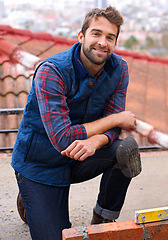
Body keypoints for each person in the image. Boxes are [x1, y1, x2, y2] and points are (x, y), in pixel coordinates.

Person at [11, 6, 141, 240]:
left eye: (110, 37)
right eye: (96, 34)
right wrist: (115, 118)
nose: (102, 42)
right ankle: (29, 196)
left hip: (81, 156)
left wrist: (96, 141)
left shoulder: (119, 68)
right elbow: (64, 138)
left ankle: (103, 218)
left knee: (126, 149)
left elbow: (114, 129)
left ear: (116, 43)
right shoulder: (52, 71)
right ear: (81, 36)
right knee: (57, 237)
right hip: (40, 165)